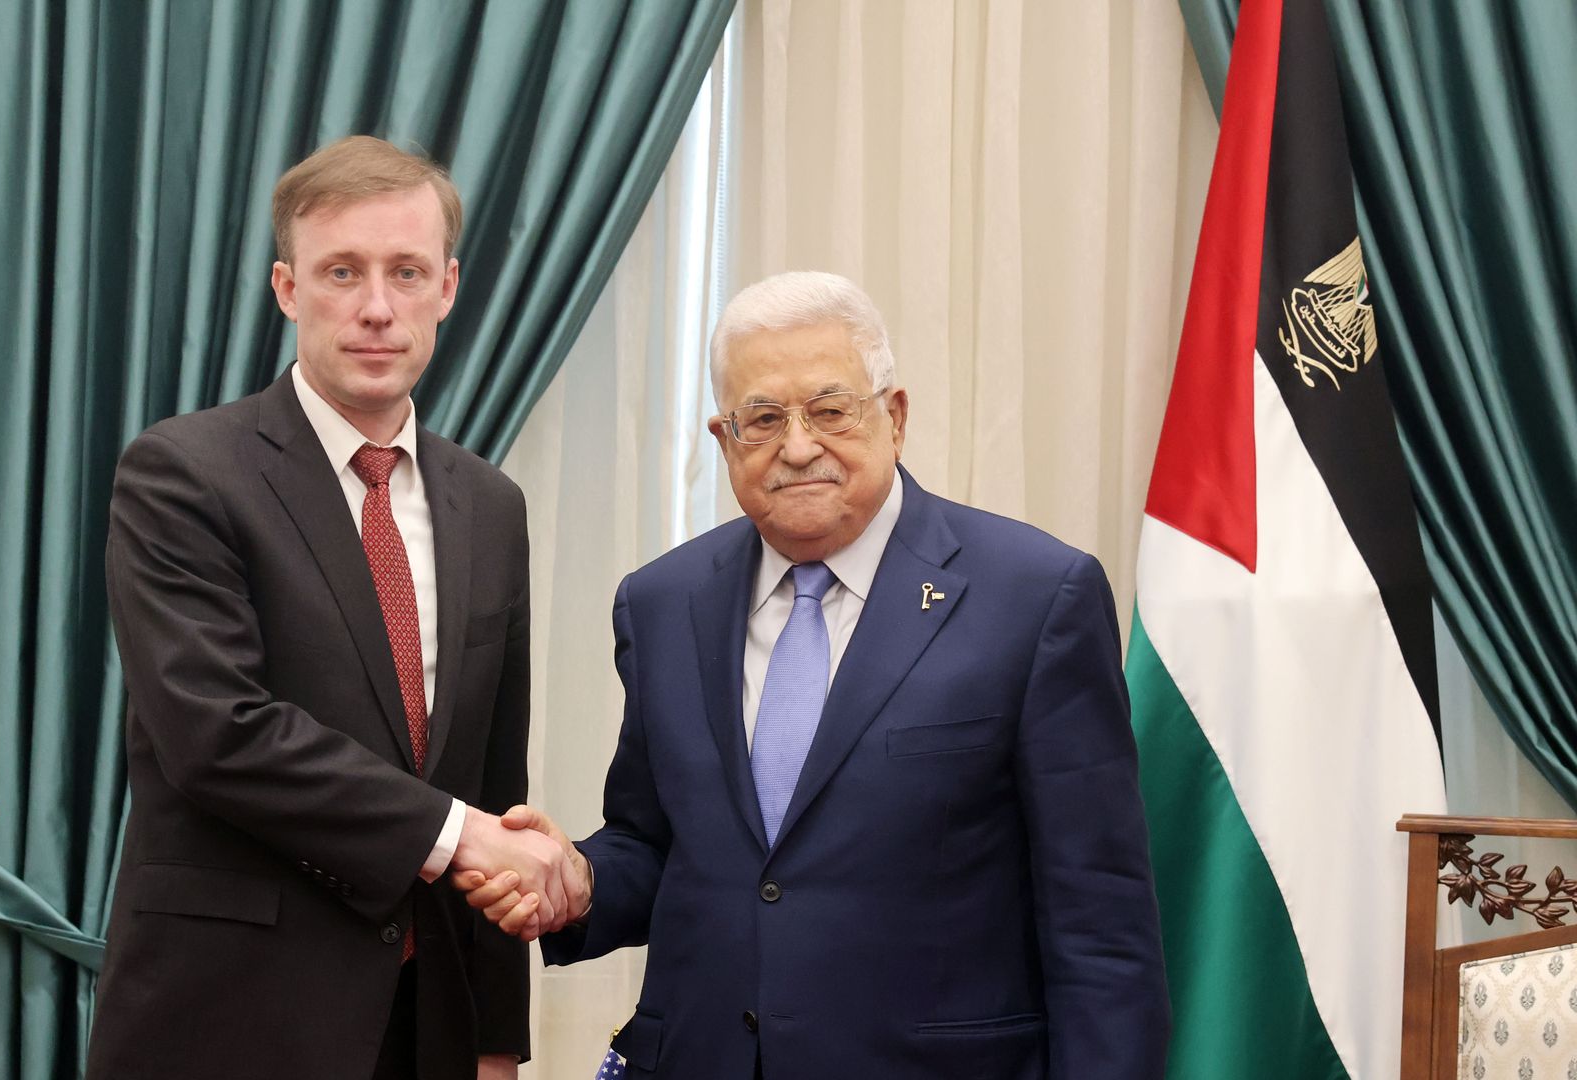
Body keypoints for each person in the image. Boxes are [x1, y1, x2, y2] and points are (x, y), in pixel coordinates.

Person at [459, 272, 1171, 1078]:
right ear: (724, 440)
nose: (798, 447)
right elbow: (664, 846)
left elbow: (1101, 929)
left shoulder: (1035, 599)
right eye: (761, 419)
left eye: (831, 411)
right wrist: (582, 883)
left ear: (894, 418)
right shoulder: (662, 604)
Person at [85, 135, 571, 1080]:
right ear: (287, 288)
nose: (377, 308)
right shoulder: (183, 473)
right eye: (342, 272)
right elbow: (217, 733)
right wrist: (454, 833)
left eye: (406, 271)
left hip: (425, 1026)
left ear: (449, 289)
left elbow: (493, 780)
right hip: (227, 1020)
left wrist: (496, 1039)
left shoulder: (491, 504)